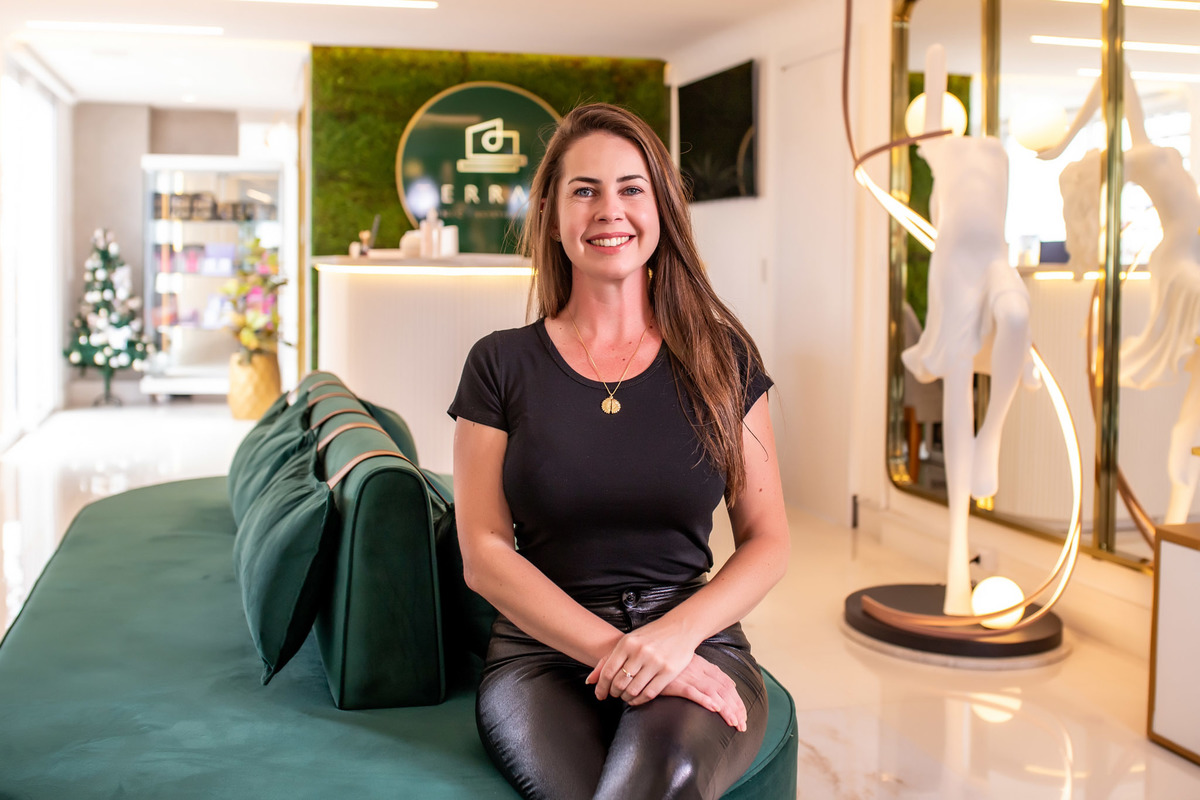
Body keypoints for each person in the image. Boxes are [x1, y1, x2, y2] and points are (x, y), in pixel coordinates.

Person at [447, 102, 790, 800]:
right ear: (551, 215)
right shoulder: (499, 364)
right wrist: (619, 650)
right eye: (585, 190)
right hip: (541, 652)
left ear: (661, 208)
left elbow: (768, 540)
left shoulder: (723, 359)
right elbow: (483, 552)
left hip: (691, 633)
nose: (610, 210)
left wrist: (671, 640)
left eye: (632, 188)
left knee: (664, 776)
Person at [901, 45, 1037, 615]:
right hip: (955, 265)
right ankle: (958, 566)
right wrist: (935, 58)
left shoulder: (997, 148)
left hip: (995, 257)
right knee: (958, 386)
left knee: (1018, 316)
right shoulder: (940, 150)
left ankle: (992, 437)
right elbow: (933, 114)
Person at [1038, 65, 1200, 523]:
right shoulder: (1131, 160)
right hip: (1180, 261)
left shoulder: (1148, 145)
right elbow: (1115, 75)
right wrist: (1063, 144)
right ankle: (1178, 508)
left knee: (1194, 396)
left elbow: (1118, 75)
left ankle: (1178, 511)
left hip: (1193, 254)